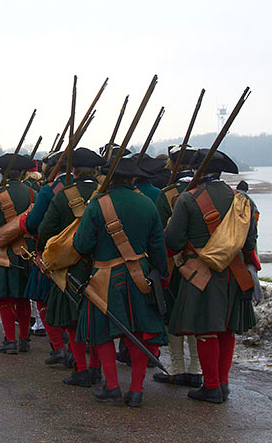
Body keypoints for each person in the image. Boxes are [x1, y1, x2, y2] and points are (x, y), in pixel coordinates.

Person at [72, 156, 168, 407]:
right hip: (141, 277)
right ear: (133, 178)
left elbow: (82, 245)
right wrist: (162, 277)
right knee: (140, 334)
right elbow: (158, 247)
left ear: (108, 178)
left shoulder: (97, 204)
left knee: (102, 333)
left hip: (104, 277)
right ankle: (136, 390)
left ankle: (112, 387)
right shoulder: (147, 204)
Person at [164, 149, 258, 404]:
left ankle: (212, 386)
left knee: (206, 330)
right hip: (235, 274)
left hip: (202, 274)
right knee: (227, 331)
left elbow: (173, 241)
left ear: (197, 171)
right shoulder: (242, 200)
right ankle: (222, 383)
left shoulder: (188, 199)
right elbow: (249, 243)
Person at [37, 147, 105, 386]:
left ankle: (82, 369)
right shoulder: (103, 194)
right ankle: (96, 367)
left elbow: (45, 229)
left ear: (73, 170)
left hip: (69, 269)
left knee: (73, 322)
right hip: (101, 267)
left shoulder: (63, 195)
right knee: (96, 321)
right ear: (95, 170)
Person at [152, 146, 202, 388]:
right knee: (194, 314)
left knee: (173, 317)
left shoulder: (167, 193)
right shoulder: (204, 192)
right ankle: (196, 369)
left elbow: (161, 236)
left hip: (174, 265)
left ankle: (178, 367)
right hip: (203, 264)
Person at [0, 153, 36, 354]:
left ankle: (10, 340)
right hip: (27, 252)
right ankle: (24, 338)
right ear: (22, 174)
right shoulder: (32, 194)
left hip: (4, 253)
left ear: (2, 172)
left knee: (5, 299)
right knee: (23, 299)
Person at [22, 150, 70, 364]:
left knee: (43, 298)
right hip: (82, 255)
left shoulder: (49, 190)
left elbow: (34, 223)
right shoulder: (92, 189)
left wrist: (23, 223)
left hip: (51, 253)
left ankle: (58, 346)